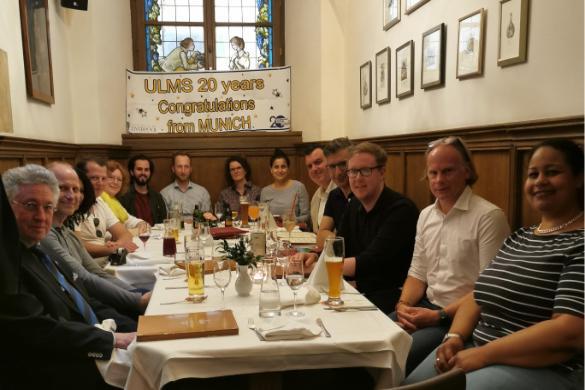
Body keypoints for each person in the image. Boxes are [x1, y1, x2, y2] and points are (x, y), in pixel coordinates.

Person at [405, 139, 584, 390]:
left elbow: (569, 332)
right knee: (409, 383)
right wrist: (454, 337)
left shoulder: (580, 243)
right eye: (533, 174)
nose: (540, 181)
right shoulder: (520, 237)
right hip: (478, 345)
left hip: (542, 366)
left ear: (579, 178)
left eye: (552, 172)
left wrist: (483, 354)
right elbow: (478, 294)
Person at [1, 164, 136, 388]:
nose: (41, 216)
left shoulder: (37, 250)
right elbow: (38, 330)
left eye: (48, 207)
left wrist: (128, 323)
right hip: (53, 365)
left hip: (85, 341)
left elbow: (80, 299)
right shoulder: (8, 262)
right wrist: (112, 339)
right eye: (31, 205)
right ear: (6, 206)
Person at [390, 136, 510, 375]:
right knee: (371, 342)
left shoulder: (488, 217)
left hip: (458, 318)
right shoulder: (426, 215)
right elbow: (417, 273)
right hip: (424, 307)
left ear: (466, 171)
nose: (439, 180)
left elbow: (487, 290)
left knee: (395, 355)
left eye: (447, 171)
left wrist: (437, 316)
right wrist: (403, 306)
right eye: (433, 173)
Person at [306, 142, 419, 313]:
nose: (357, 178)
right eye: (352, 171)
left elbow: (372, 260)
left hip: (391, 296)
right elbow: (339, 246)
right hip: (356, 290)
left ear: (382, 172)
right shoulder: (354, 205)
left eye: (365, 171)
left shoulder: (401, 210)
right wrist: (312, 257)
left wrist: (320, 267)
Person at [40, 162, 150, 316]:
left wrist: (136, 293)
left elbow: (97, 272)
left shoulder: (67, 231)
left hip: (95, 293)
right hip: (83, 304)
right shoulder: (45, 235)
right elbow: (83, 278)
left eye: (76, 189)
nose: (72, 195)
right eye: (63, 188)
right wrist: (137, 301)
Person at [76, 158, 138, 262]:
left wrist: (117, 245)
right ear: (81, 179)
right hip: (87, 268)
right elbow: (77, 246)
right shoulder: (73, 204)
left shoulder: (99, 202)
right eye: (94, 178)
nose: (100, 183)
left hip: (106, 262)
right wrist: (112, 249)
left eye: (103, 178)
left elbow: (124, 234)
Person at [317, 137, 354, 247]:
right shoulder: (334, 195)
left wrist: (332, 239)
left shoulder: (363, 196)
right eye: (332, 166)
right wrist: (339, 240)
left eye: (343, 164)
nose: (338, 172)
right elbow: (320, 236)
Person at [261, 148, 310, 223]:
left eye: (283, 167)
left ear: (288, 169)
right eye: (276, 167)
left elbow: (307, 216)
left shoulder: (299, 187)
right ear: (271, 170)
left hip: (293, 230)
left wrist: (294, 220)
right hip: (272, 231)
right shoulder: (265, 191)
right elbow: (263, 217)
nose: (280, 170)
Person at [119, 154, 167, 225]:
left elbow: (164, 222)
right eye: (139, 169)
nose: (143, 173)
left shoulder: (157, 197)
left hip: (156, 235)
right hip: (133, 235)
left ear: (150, 173)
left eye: (146, 170)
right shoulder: (124, 197)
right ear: (132, 172)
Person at [102, 160, 148, 233]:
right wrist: (133, 231)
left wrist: (141, 224)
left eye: (119, 179)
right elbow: (107, 234)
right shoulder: (99, 200)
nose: (115, 182)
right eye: (111, 177)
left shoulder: (114, 201)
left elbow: (129, 220)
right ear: (102, 179)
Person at [303, 144, 335, 233]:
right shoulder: (315, 198)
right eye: (309, 166)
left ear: (329, 161)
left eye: (318, 162)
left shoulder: (342, 192)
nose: (314, 169)